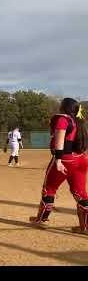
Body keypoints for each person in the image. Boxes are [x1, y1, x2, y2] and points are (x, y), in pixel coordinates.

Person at [29, 98, 88, 234]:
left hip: (66, 159)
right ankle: (85, 227)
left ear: (64, 107)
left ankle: (42, 220)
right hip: (81, 159)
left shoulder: (63, 119)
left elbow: (60, 140)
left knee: (49, 188)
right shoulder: (79, 121)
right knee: (81, 193)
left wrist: (58, 160)